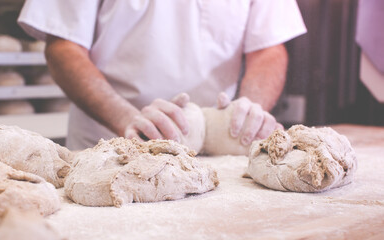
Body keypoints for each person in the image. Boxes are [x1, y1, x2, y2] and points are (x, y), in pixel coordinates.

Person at [18, 0, 307, 151]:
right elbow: (64, 46)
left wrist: (249, 113)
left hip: (217, 147)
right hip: (109, 144)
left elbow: (269, 49)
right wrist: (126, 119)